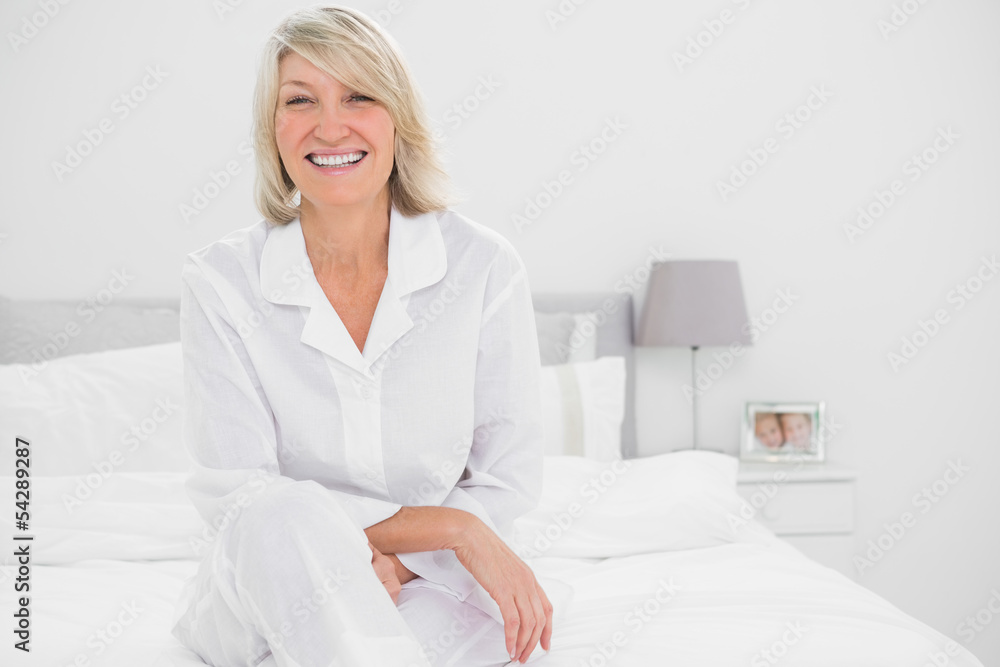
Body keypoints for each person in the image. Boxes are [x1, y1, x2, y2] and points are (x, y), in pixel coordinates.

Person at [170, 6, 554, 666]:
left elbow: (505, 474)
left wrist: (401, 560)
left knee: (495, 638)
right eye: (300, 100)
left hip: (431, 577)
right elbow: (242, 496)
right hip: (267, 579)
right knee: (280, 514)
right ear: (273, 127)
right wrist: (450, 527)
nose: (330, 125)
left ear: (397, 116)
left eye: (358, 95)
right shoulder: (221, 281)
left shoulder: (482, 269)